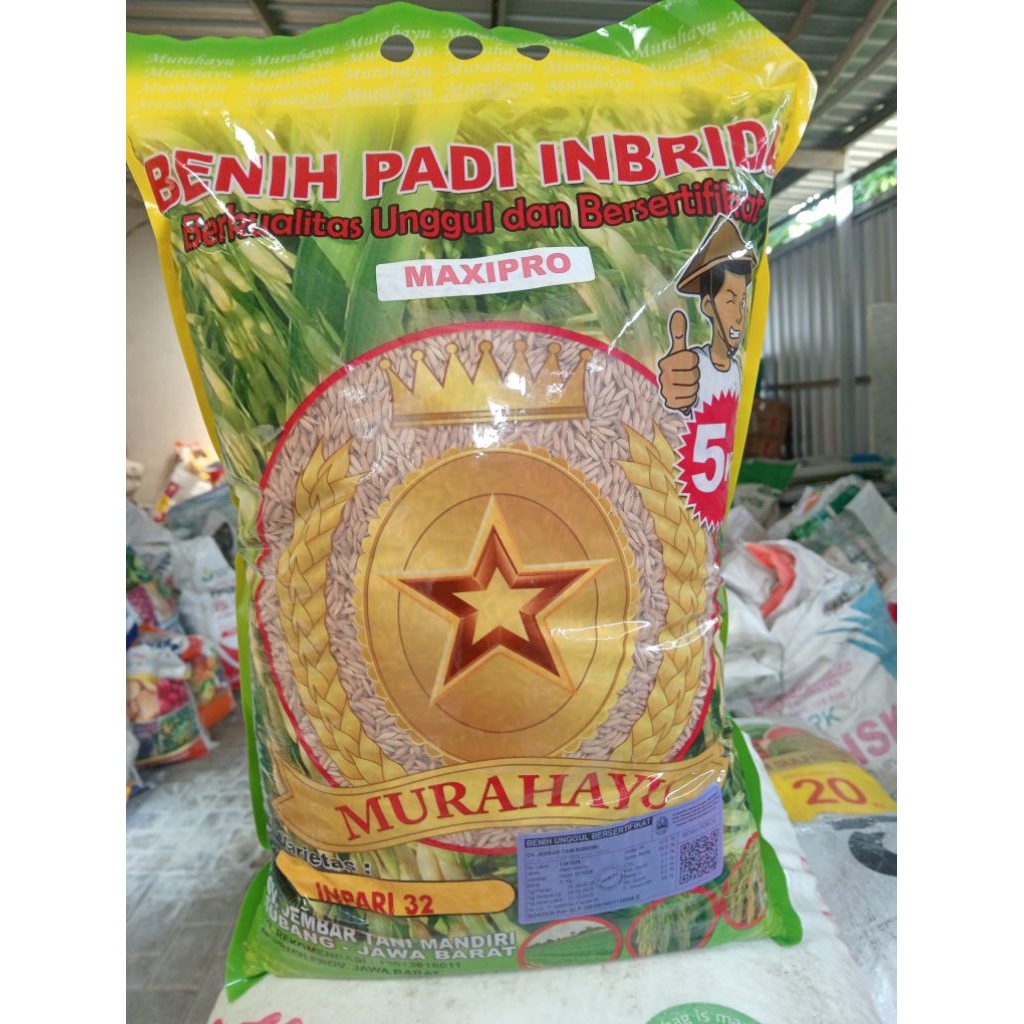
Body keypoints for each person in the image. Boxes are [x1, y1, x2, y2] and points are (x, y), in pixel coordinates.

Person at [658, 214, 756, 414]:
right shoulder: (694, 365)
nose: (740, 315)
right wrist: (675, 390)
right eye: (730, 301)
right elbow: (682, 393)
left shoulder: (736, 369)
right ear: (707, 305)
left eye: (743, 302)